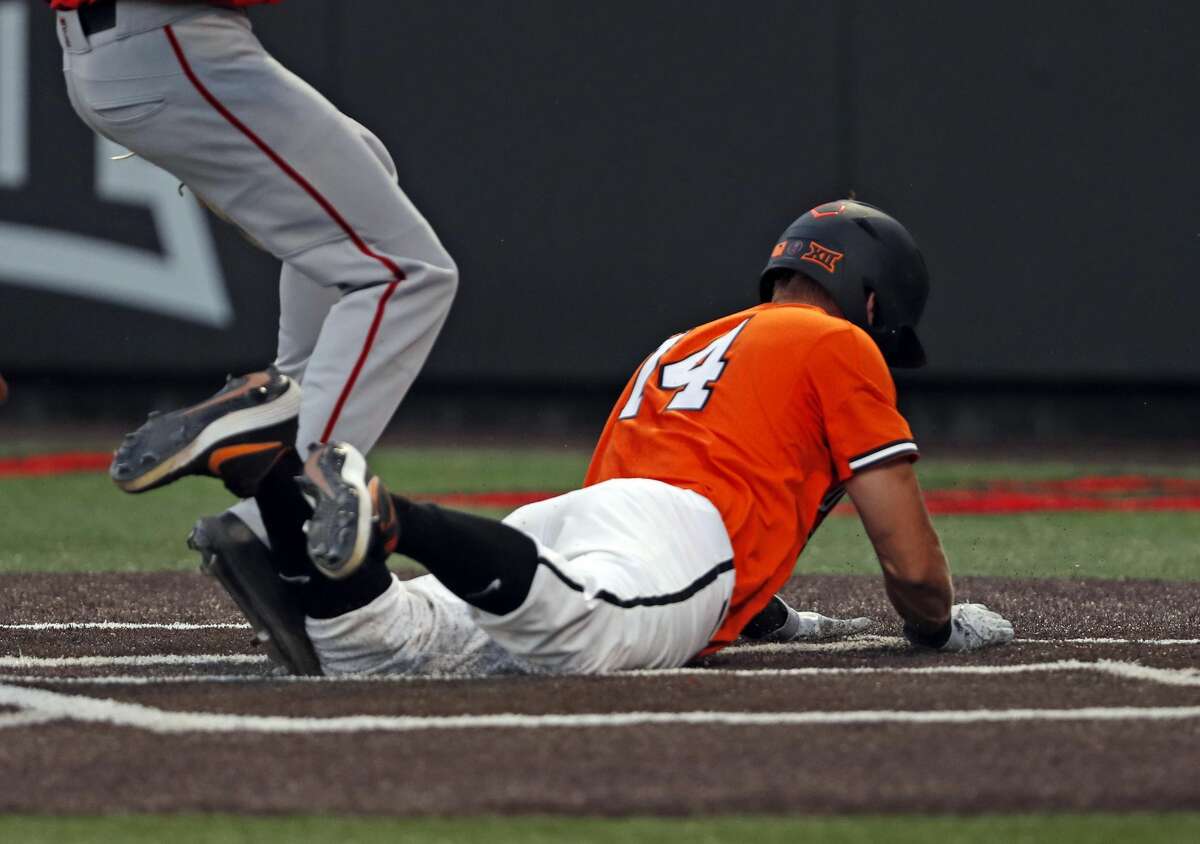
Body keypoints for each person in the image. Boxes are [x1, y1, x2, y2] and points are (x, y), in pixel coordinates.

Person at [112, 199, 1014, 675]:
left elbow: (657, 524)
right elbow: (908, 562)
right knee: (581, 640)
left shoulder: (686, 342)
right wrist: (936, 628)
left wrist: (780, 618)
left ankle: (270, 471)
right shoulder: (840, 342)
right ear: (870, 299)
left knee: (377, 646)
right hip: (677, 535)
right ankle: (388, 518)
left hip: (579, 518)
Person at [50, 0, 458, 673]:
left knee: (362, 173)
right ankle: (278, 510)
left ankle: (284, 406)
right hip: (170, 45)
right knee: (406, 273)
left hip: (150, 47)